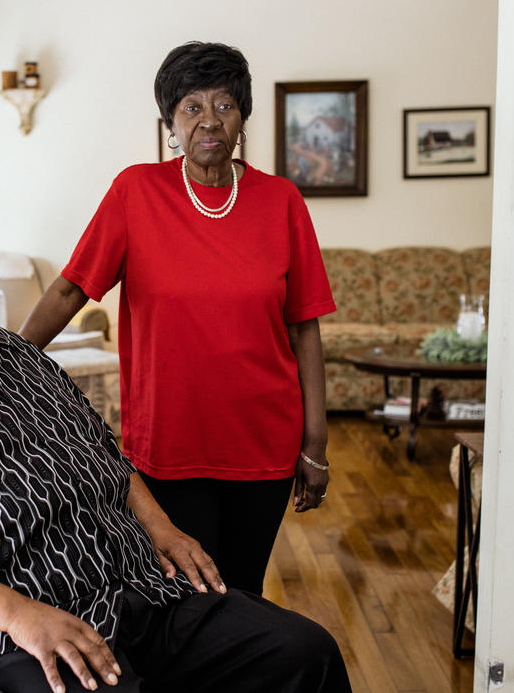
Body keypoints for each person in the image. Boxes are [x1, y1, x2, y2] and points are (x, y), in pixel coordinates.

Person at [0, 208, 351, 693]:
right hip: (6, 636)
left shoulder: (21, 357)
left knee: (305, 653)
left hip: (137, 590)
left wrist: (162, 527)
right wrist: (20, 615)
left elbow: (104, 452)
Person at [20, 42, 336, 596]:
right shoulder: (136, 192)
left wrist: (316, 444)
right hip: (169, 445)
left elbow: (303, 325)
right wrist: (5, 363)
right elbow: (72, 289)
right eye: (192, 106)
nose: (209, 120)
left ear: (243, 118)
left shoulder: (282, 201)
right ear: (169, 121)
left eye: (225, 105)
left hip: (262, 446)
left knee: (242, 593)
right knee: (185, 598)